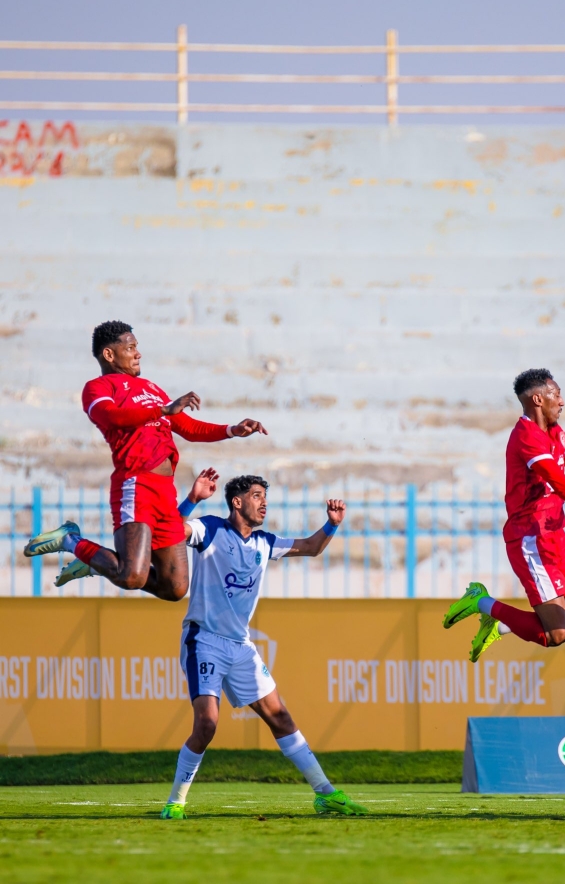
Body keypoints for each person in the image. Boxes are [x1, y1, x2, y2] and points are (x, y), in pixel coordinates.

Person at [161, 469, 368, 819]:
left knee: (280, 717)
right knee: (207, 724)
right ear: (237, 502)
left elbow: (311, 547)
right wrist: (193, 497)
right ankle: (175, 802)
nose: (264, 503)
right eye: (257, 496)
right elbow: (170, 532)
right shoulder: (210, 529)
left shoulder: (264, 543)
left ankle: (326, 794)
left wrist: (332, 524)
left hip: (240, 646)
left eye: (264, 497)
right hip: (205, 640)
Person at [23, 321, 266, 600]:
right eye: (130, 348)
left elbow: (187, 427)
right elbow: (109, 416)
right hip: (136, 485)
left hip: (165, 491)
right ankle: (70, 540)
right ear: (109, 355)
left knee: (174, 588)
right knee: (131, 576)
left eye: (137, 347)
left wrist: (232, 430)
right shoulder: (98, 387)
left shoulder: (151, 388)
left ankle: (99, 564)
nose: (138, 353)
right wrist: (160, 409)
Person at [442, 369, 565, 662]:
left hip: (556, 535)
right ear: (537, 399)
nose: (562, 401)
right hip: (530, 539)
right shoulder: (525, 437)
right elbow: (560, 483)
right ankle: (481, 602)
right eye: (556, 395)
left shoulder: (555, 431)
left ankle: (502, 626)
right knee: (558, 634)